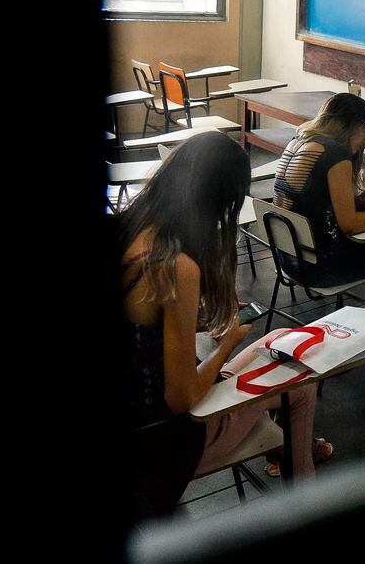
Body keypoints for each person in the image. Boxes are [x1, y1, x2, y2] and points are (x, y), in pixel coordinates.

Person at [120, 131, 330, 519]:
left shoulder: (127, 230)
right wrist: (225, 345)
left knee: (275, 342)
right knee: (300, 384)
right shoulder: (175, 265)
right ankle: (305, 491)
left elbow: (141, 331)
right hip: (161, 446)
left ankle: (284, 451)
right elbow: (181, 399)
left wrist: (192, 323)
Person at [273, 92, 365, 288]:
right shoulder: (335, 153)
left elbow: (318, 189)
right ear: (357, 126)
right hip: (321, 267)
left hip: (290, 259)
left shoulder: (300, 141)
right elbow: (350, 225)